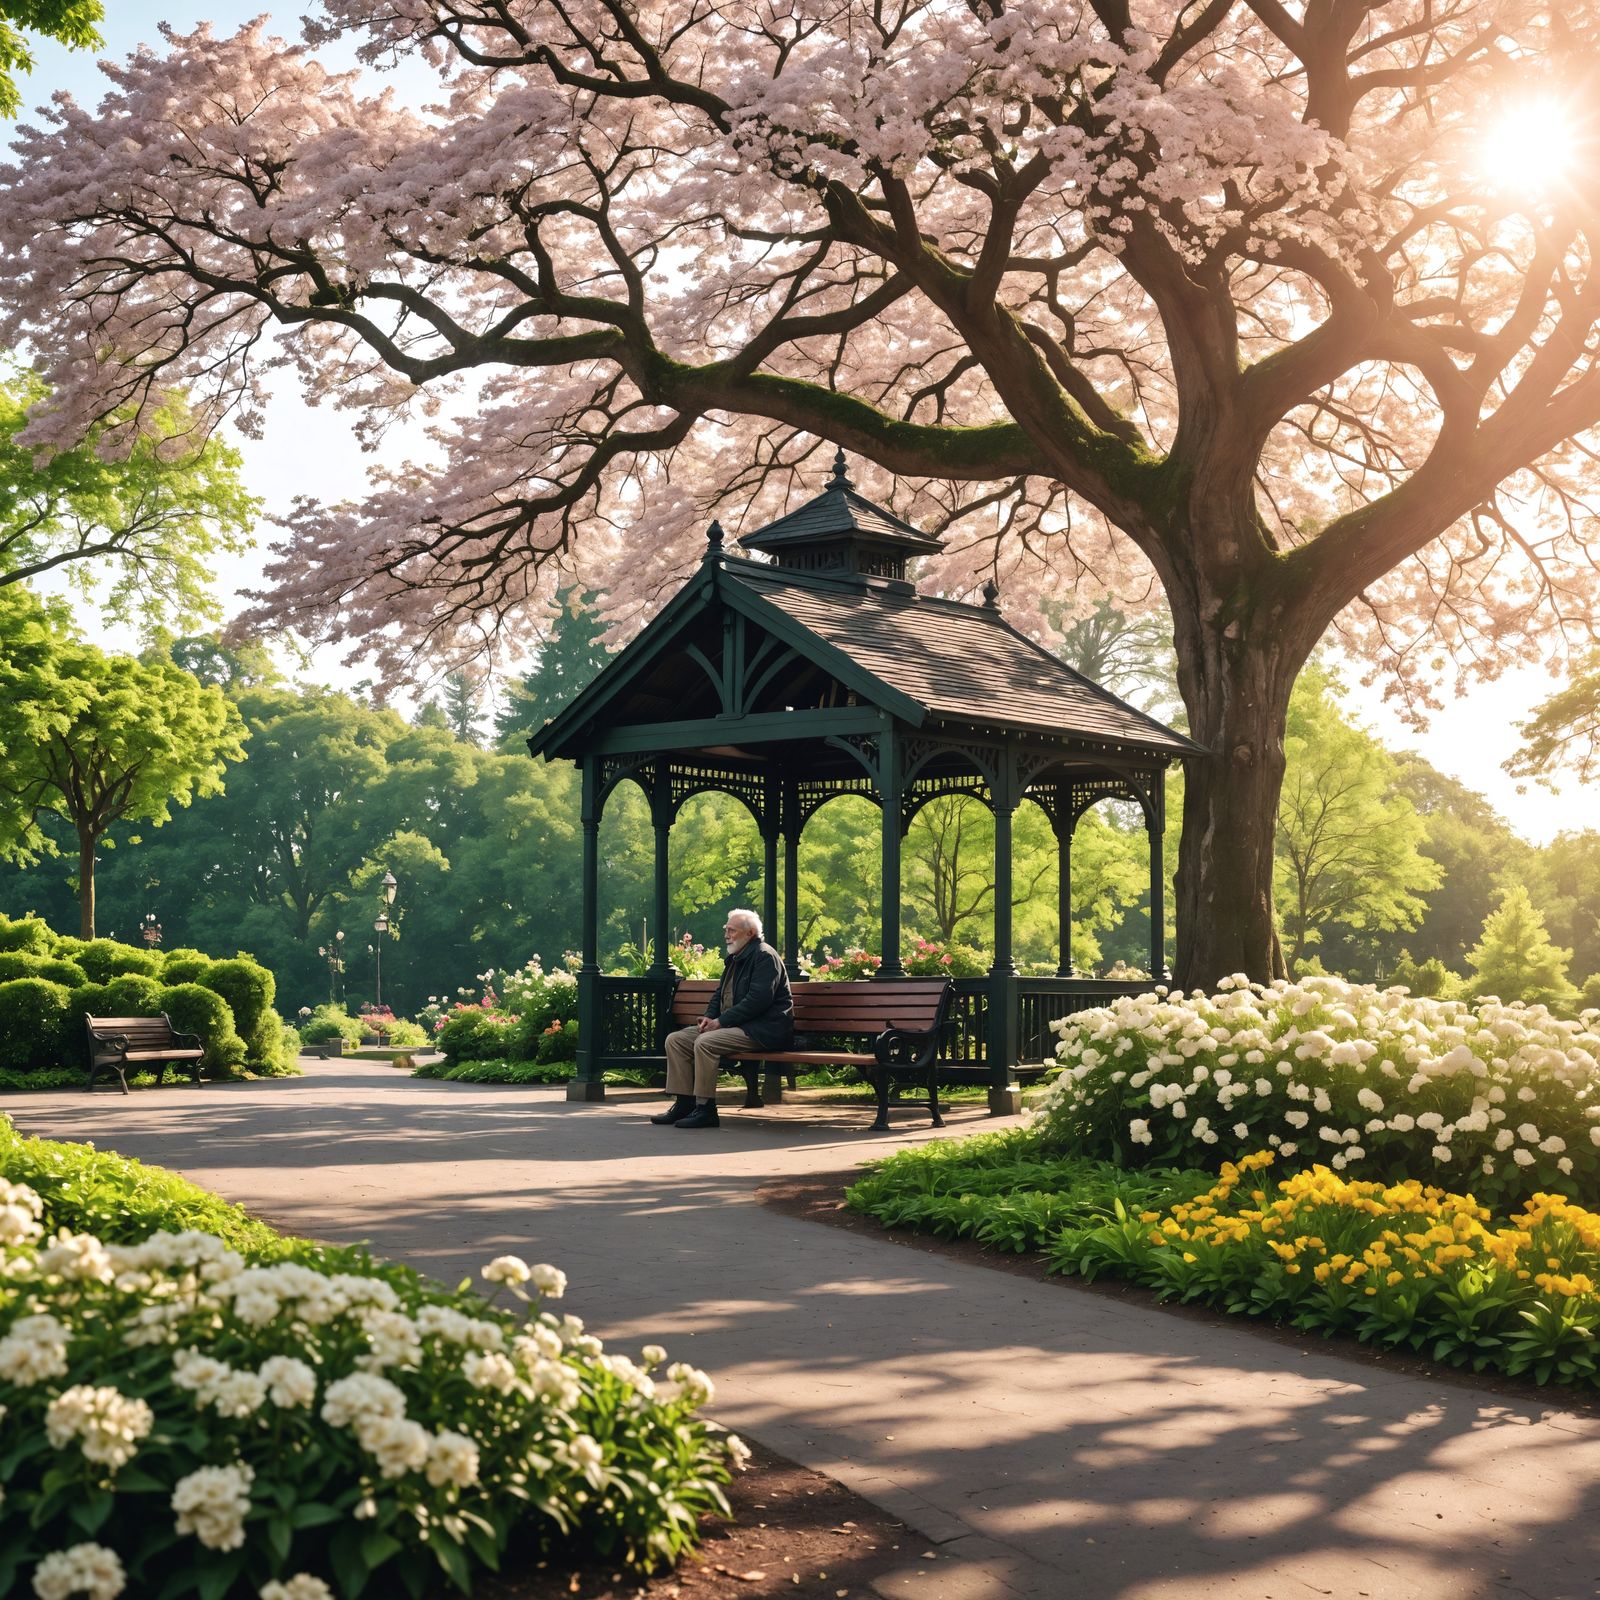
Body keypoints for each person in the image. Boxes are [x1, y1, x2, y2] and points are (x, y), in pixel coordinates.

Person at [653, 908, 793, 1129]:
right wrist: (709, 1019)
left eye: (732, 930)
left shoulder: (765, 957)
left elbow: (758, 1001)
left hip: (762, 1030)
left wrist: (721, 1022)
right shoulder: (736, 958)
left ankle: (706, 1109)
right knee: (676, 1040)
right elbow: (719, 994)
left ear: (750, 933)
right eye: (726, 930)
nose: (726, 935)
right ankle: (684, 1104)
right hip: (734, 1026)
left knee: (705, 1042)